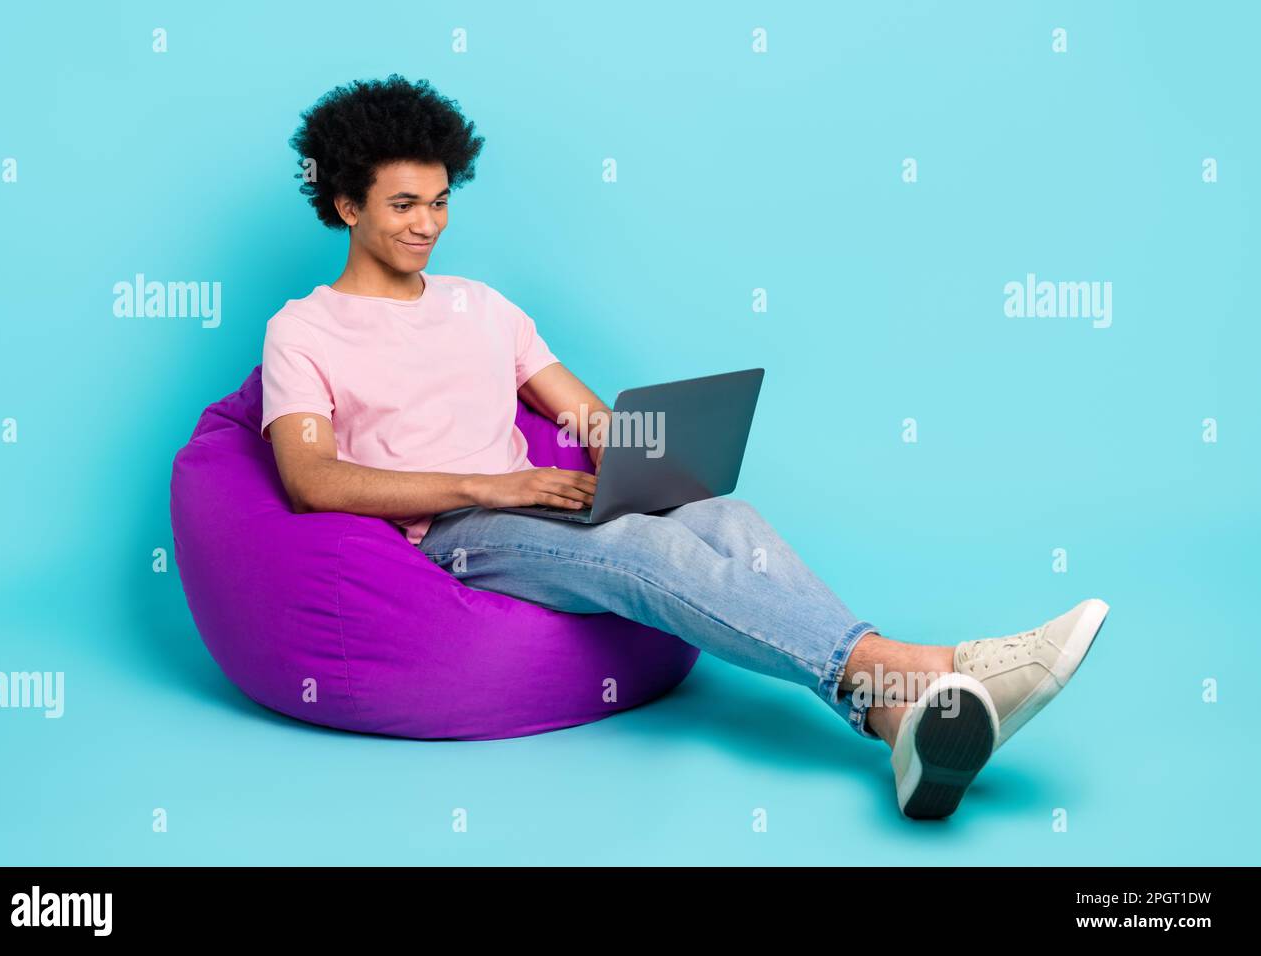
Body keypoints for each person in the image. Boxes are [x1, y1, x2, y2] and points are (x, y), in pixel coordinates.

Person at [260, 74, 1108, 819]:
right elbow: (308, 480)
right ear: (346, 204)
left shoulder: (482, 306)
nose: (428, 225)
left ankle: (895, 721)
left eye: (441, 201)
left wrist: (645, 460)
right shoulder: (304, 330)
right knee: (640, 543)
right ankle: (937, 665)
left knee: (721, 514)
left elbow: (590, 420)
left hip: (530, 502)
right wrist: (496, 487)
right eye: (404, 205)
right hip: (454, 534)